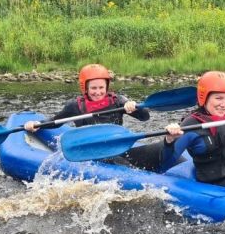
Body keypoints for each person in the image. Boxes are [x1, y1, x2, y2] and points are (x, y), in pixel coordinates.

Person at [24, 63, 163, 171]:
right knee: (125, 166)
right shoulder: (75, 106)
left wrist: (135, 107)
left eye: (101, 88)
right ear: (85, 88)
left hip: (116, 146)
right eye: (93, 88)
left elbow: (145, 117)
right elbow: (55, 122)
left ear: (107, 87)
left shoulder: (118, 101)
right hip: (90, 150)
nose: (98, 92)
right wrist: (37, 124)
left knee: (146, 155)